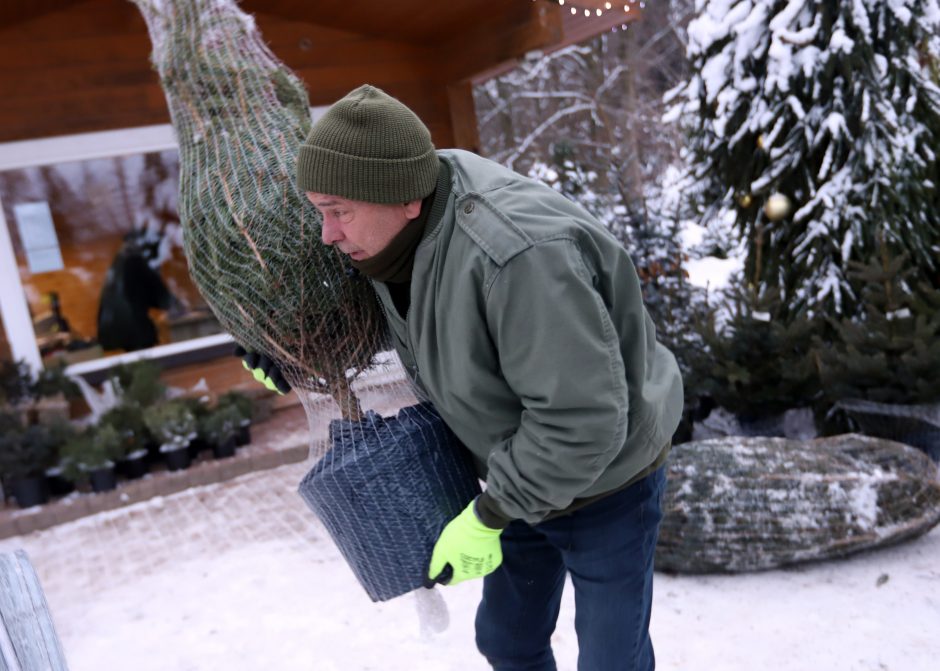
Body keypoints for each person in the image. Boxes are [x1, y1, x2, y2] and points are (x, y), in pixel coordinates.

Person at [245, 84, 683, 671]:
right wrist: (295, 355)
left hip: (610, 479)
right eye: (319, 211)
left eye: (337, 212)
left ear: (402, 198)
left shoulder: (518, 257)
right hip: (522, 472)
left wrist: (489, 515)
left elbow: (583, 418)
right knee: (508, 642)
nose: (327, 234)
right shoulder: (400, 227)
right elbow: (423, 313)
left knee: (611, 659)